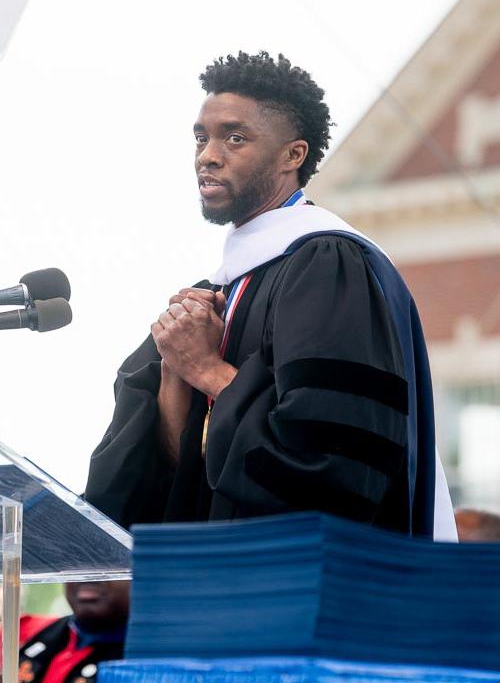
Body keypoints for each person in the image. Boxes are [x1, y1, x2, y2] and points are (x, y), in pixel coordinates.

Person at [85, 50, 456, 540]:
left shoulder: (328, 264)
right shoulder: (215, 290)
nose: (208, 155)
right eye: (202, 137)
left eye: (234, 138)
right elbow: (172, 474)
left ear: (293, 155)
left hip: (306, 586)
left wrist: (206, 371)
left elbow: (335, 464)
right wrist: (174, 370)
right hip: (206, 578)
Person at [1, 581, 129, 683]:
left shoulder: (140, 661)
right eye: (77, 563)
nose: (88, 577)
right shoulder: (20, 632)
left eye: (106, 564)